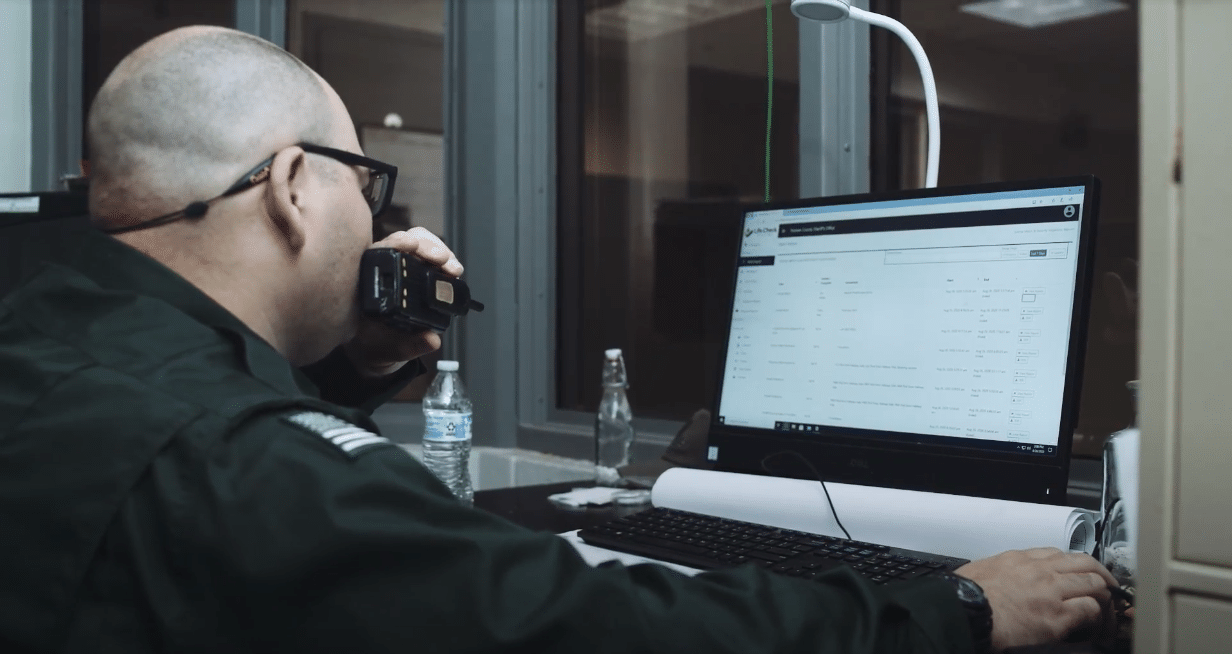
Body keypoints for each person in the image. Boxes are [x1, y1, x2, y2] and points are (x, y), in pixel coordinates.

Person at [0, 26, 1118, 654]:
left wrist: (349, 371)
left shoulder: (50, 335)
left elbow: (218, 506)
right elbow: (591, 629)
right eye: (364, 185)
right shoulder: (235, 459)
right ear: (295, 187)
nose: (379, 221)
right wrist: (957, 608)